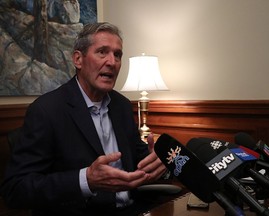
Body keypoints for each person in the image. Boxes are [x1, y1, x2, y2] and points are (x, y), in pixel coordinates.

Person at [0, 22, 167, 216]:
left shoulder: (121, 105)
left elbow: (139, 161)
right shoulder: (46, 111)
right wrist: (85, 180)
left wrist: (155, 161)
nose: (112, 62)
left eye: (117, 55)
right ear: (78, 59)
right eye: (102, 52)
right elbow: (15, 189)